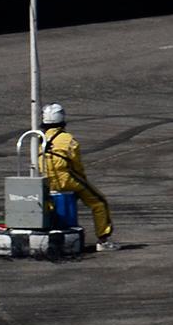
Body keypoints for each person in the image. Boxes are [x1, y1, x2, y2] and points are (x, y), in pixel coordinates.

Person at [38, 102, 115, 251]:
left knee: (51, 203)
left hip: (46, 180)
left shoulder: (39, 138)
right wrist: (82, 182)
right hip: (67, 179)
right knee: (99, 202)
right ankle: (103, 240)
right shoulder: (68, 139)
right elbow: (77, 165)